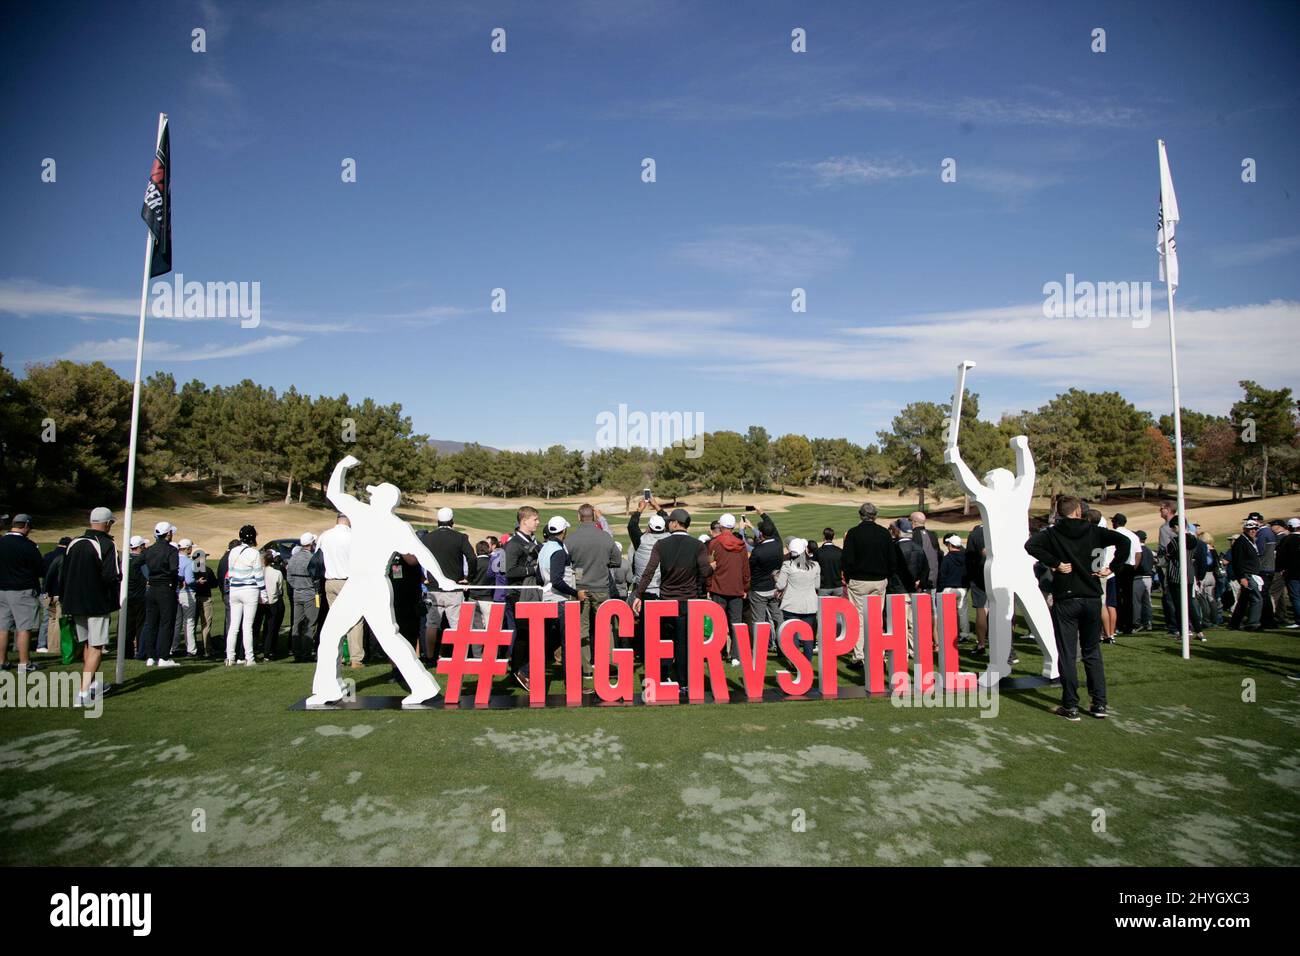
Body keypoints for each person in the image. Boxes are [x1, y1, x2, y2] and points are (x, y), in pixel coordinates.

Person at [306, 456, 457, 708]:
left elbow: (334, 492)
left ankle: (422, 686)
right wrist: (441, 579)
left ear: (380, 499)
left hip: (371, 586)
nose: (370, 497)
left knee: (384, 638)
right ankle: (329, 688)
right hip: (361, 585)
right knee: (334, 634)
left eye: (374, 495)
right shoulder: (394, 524)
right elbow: (422, 554)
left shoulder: (367, 514)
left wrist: (342, 466)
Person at [1025, 495, 1131, 721]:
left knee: (1068, 653)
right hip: (1092, 596)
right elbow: (1125, 542)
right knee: (1092, 652)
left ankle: (1071, 704)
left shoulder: (1053, 532)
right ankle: (1099, 703)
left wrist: (1055, 563)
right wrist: (1113, 568)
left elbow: (1030, 545)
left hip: (1067, 598)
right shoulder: (1094, 531)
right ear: (1078, 512)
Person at [633, 508, 713, 693]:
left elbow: (649, 572)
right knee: (683, 644)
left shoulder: (661, 544)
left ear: (676, 523)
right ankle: (684, 682)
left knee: (664, 642)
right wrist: (713, 566)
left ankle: (663, 677)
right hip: (688, 601)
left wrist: (638, 594)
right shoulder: (698, 545)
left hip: (666, 600)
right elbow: (706, 572)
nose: (668, 523)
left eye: (670, 521)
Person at [59, 508, 122, 704]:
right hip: (96, 602)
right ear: (107, 523)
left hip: (75, 602)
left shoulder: (74, 542)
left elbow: (65, 572)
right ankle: (84, 692)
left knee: (88, 643)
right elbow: (112, 575)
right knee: (96, 646)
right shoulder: (106, 544)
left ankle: (92, 683)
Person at [840, 502, 900, 671]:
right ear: (875, 515)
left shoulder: (853, 533)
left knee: (859, 619)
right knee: (876, 618)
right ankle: (878, 654)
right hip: (879, 580)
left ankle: (859, 656)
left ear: (861, 515)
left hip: (859, 580)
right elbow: (892, 559)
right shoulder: (883, 534)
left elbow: (846, 559)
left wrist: (849, 575)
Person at [565, 504, 622, 676]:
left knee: (582, 628)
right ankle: (611, 665)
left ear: (578, 517)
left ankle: (586, 668)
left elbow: (566, 562)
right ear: (595, 517)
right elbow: (617, 561)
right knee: (606, 628)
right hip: (601, 587)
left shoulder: (571, 539)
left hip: (580, 588)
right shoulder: (605, 537)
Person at [538, 516, 590, 692]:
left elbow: (540, 578)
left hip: (547, 599)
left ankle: (526, 671)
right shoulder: (559, 551)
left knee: (547, 642)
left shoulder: (545, 548)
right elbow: (557, 580)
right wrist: (576, 593)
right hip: (561, 602)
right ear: (564, 531)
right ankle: (573, 684)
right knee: (570, 645)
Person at [420, 507, 477, 661]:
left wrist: (422, 577)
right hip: (453, 587)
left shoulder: (427, 538)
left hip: (433, 587)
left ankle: (430, 656)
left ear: (438, 521)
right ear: (452, 521)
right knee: (457, 626)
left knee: (432, 624)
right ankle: (460, 657)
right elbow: (472, 558)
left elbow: (418, 559)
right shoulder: (459, 537)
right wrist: (469, 577)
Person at [503, 506, 543, 692]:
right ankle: (519, 671)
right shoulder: (514, 544)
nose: (538, 522)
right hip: (517, 595)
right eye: (535, 519)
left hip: (529, 594)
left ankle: (518, 671)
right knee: (523, 635)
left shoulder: (531, 541)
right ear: (524, 521)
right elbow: (509, 571)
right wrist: (533, 570)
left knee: (526, 636)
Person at [318, 514, 365, 668]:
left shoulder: (325, 536)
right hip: (348, 581)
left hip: (330, 581)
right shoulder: (353, 536)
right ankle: (355, 658)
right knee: (355, 620)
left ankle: (335, 655)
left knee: (335, 620)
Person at [0, 514, 43, 673]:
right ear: (26, 526)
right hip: (22, 590)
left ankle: (2, 661)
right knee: (24, 627)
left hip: (2, 590)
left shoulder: (1, 542)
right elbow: (40, 568)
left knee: (2, 627)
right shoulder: (28, 545)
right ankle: (24, 663)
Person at [628, 501, 669, 661]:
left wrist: (640, 509)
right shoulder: (668, 539)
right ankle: (661, 654)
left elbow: (632, 525)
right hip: (662, 589)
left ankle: (645, 653)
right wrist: (656, 506)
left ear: (650, 528)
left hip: (643, 590)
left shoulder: (641, 540)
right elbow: (667, 518)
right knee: (662, 625)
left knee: (644, 625)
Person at [706, 513, 749, 666]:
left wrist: (708, 586)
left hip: (718, 588)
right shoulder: (741, 544)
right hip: (736, 589)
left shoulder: (713, 543)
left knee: (718, 624)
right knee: (735, 623)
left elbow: (710, 567)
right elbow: (745, 569)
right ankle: (736, 655)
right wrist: (745, 587)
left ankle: (718, 652)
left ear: (721, 525)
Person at [138, 521, 180, 668]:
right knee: (166, 623)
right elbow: (174, 570)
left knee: (151, 623)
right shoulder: (171, 551)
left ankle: (151, 656)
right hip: (165, 588)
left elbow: (136, 564)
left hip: (152, 589)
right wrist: (169, 577)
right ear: (168, 534)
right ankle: (163, 657)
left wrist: (149, 577)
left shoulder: (149, 550)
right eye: (171, 532)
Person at [225, 525, 268, 667]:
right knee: (247, 626)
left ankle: (230, 657)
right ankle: (249, 658)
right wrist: (264, 594)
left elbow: (230, 573)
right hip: (249, 590)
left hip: (234, 589)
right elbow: (258, 576)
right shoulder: (254, 553)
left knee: (234, 626)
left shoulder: (232, 552)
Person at [775, 537, 819, 662]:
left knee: (793, 634)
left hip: (791, 605)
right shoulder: (815, 566)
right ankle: (807, 661)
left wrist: (775, 577)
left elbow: (780, 585)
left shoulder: (787, 565)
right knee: (807, 635)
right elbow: (817, 585)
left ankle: (795, 662)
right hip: (809, 605)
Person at [747, 510, 784, 653]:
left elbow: (750, 567)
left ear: (761, 534)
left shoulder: (758, 550)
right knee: (778, 618)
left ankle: (760, 650)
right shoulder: (778, 543)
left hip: (759, 590)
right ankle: (783, 647)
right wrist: (762, 513)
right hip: (774, 588)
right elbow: (773, 527)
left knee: (758, 620)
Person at [287, 532, 320, 663]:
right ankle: (306, 653)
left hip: (297, 593)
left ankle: (297, 652)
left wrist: (297, 586)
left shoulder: (293, 558)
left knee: (297, 624)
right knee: (311, 623)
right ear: (311, 544)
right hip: (310, 593)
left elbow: (289, 577)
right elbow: (316, 577)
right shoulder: (311, 558)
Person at [1229, 519, 1265, 632]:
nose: (1253, 531)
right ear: (1245, 529)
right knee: (1257, 598)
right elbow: (1237, 561)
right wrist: (1242, 577)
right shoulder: (1241, 542)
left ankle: (1234, 623)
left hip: (1250, 574)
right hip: (1247, 575)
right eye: (1250, 529)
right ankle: (1252, 624)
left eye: (1255, 529)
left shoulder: (1249, 540)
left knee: (1244, 600)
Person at [1110, 514, 1141, 636]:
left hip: (1118, 566)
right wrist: (1134, 567)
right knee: (1128, 598)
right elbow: (1138, 554)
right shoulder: (1133, 535)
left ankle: (1118, 624)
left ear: (1116, 523)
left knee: (1116, 597)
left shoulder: (1114, 534)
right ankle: (1128, 626)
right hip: (1130, 567)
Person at [38, 536, 71, 654]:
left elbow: (42, 573)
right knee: (59, 620)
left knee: (49, 620)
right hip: (59, 593)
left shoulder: (47, 556)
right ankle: (57, 647)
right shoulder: (67, 558)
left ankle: (43, 644)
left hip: (47, 593)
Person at [935, 533, 970, 640]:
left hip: (948, 589)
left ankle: (947, 634)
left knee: (946, 614)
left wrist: (939, 590)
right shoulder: (966, 558)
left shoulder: (947, 558)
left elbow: (942, 575)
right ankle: (964, 634)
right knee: (962, 613)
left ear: (950, 545)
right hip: (962, 588)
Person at [170, 538, 198, 658]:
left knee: (177, 622)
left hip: (175, 593)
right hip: (187, 593)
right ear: (187, 549)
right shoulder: (188, 561)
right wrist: (198, 582)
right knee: (189, 621)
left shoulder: (174, 559)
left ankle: (173, 647)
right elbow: (189, 580)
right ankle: (191, 649)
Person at [965, 523, 990, 653]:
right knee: (1005, 610)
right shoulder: (999, 528)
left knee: (981, 610)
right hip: (998, 575)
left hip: (979, 576)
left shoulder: (974, 535)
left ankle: (981, 644)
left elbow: (969, 559)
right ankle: (1008, 647)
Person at [260, 549, 286, 660]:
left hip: (261, 602)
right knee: (271, 628)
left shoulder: (259, 572)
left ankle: (262, 648)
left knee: (261, 627)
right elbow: (280, 590)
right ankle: (268, 651)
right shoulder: (277, 573)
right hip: (273, 602)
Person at [191, 549, 216, 657]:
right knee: (206, 625)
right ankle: (207, 649)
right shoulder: (207, 570)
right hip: (205, 598)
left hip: (193, 598)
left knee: (192, 624)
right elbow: (214, 584)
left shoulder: (191, 570)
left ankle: (192, 648)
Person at [909, 511, 940, 593]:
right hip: (934, 579)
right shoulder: (933, 535)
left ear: (914, 522)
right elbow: (939, 555)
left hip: (919, 582)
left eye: (909, 520)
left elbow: (914, 560)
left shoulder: (913, 535)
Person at [1131, 530, 1154, 632]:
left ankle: (1137, 623)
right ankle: (1148, 622)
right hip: (1149, 578)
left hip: (1138, 578)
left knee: (1137, 602)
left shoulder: (1138, 550)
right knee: (1147, 602)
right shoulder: (1149, 550)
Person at [811, 528, 842, 599]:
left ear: (824, 537)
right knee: (837, 609)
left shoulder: (818, 552)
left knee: (823, 609)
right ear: (833, 537)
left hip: (823, 586)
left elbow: (813, 568)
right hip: (838, 586)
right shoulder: (839, 551)